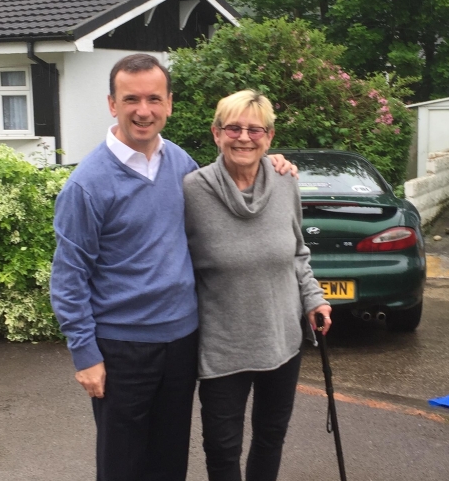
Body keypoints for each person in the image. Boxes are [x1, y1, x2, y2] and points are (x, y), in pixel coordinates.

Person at [50, 55, 295, 481]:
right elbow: (69, 276)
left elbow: (232, 183)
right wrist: (85, 354)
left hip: (182, 341)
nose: (143, 110)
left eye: (153, 99)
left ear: (169, 104)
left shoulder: (180, 165)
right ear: (112, 104)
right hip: (122, 347)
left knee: (169, 461)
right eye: (131, 99)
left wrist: (275, 165)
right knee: (124, 464)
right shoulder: (86, 184)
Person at [182, 89, 333, 481]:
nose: (244, 137)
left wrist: (314, 298)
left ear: (269, 137)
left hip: (281, 341)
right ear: (216, 134)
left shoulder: (285, 183)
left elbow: (298, 250)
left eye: (255, 129)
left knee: (270, 437)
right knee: (221, 448)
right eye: (233, 128)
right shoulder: (192, 191)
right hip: (222, 348)